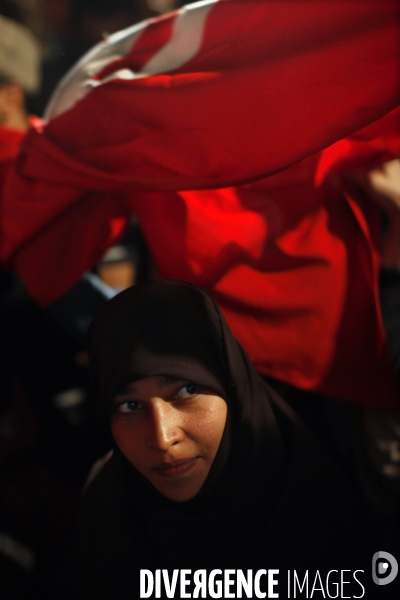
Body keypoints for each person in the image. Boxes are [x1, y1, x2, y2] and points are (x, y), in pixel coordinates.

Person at [75, 280, 396, 599]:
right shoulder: (103, 520)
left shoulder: (320, 517)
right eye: (129, 406)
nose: (162, 438)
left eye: (187, 391)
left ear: (232, 387)